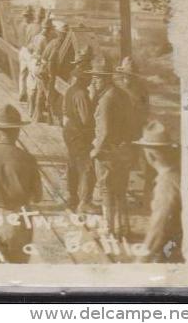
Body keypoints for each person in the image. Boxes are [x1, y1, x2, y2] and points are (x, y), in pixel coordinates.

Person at [0, 104, 42, 263]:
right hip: (18, 221)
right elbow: (38, 197)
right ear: (18, 131)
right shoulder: (28, 159)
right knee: (18, 270)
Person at [89, 55, 135, 238]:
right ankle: (123, 227)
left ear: (105, 78)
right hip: (123, 149)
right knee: (121, 190)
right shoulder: (122, 94)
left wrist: (95, 151)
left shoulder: (106, 99)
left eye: (97, 78)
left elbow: (105, 130)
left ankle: (108, 229)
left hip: (108, 152)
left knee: (106, 189)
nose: (94, 81)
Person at [133, 121, 183, 263]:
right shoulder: (179, 173)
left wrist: (140, 261)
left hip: (171, 256)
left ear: (150, 156)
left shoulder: (165, 184)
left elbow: (158, 228)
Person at [115, 56, 152, 206]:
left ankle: (147, 196)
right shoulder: (117, 88)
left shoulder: (141, 89)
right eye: (126, 74)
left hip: (137, 129)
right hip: (122, 132)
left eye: (131, 75)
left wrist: (141, 124)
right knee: (122, 164)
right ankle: (120, 194)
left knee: (145, 163)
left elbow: (145, 109)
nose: (128, 78)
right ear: (122, 74)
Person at [61, 65, 98, 213]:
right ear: (84, 78)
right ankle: (85, 202)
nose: (91, 80)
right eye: (89, 77)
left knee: (72, 163)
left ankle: (72, 196)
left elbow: (64, 109)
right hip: (80, 134)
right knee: (88, 167)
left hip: (69, 130)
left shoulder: (70, 90)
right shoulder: (82, 94)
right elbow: (86, 119)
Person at [17, 6, 36, 103]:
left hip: (21, 50)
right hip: (28, 51)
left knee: (22, 73)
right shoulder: (31, 27)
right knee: (32, 74)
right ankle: (30, 96)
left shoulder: (20, 25)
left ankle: (21, 94)